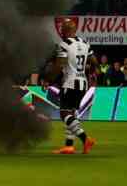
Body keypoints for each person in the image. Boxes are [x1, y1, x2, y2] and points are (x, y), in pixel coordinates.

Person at [51, 19, 97, 155]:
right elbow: (94, 61)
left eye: (62, 29)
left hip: (70, 83)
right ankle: (69, 145)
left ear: (65, 30)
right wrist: (91, 73)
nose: (61, 31)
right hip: (82, 83)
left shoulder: (64, 45)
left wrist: (48, 79)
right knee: (72, 112)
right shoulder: (85, 43)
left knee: (64, 113)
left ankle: (85, 138)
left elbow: (60, 65)